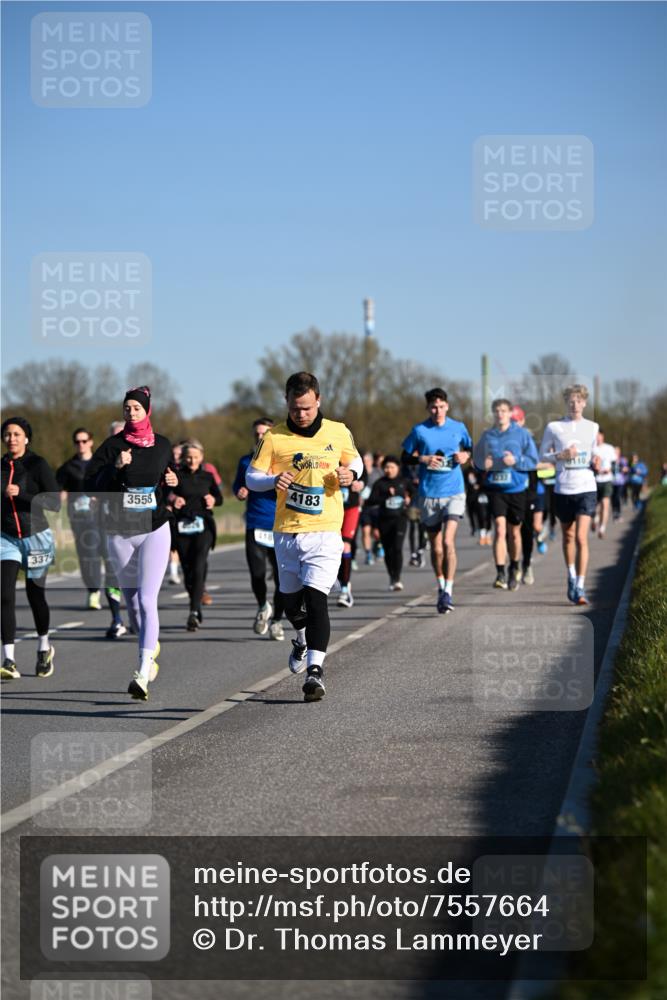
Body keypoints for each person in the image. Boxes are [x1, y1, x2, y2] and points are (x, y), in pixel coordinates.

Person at [246, 371, 363, 702]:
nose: (301, 414)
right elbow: (251, 476)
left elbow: (357, 463)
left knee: (317, 600)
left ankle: (315, 672)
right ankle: (300, 638)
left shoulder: (338, 431)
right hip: (287, 532)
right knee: (292, 604)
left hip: (325, 531)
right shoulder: (273, 437)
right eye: (296, 408)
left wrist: (350, 473)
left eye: (308, 408)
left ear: (319, 401)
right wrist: (272, 480)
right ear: (286, 402)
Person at [84, 386, 178, 700]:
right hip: (119, 531)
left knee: (148, 600)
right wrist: (116, 468)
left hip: (154, 528)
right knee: (134, 605)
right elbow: (90, 485)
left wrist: (173, 482)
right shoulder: (112, 446)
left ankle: (142, 670)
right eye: (127, 408)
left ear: (147, 411)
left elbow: (170, 478)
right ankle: (149, 648)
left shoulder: (163, 444)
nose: (131, 413)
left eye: (137, 408)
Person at [401, 387, 472, 613]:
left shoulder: (458, 428)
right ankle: (441, 585)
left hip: (454, 491)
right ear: (428, 408)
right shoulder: (420, 430)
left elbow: (469, 448)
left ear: (447, 406)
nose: (437, 410)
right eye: (433, 407)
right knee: (436, 546)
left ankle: (449, 591)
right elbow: (405, 457)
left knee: (448, 542)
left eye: (441, 406)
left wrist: (465, 456)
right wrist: (423, 458)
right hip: (429, 494)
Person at [1, 417, 60, 679]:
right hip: (7, 538)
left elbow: (54, 503)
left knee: (35, 596)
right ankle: (8, 660)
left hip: (36, 536)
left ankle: (44, 647)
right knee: (4, 595)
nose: (11, 438)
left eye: (16, 434)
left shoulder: (37, 465)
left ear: (26, 438)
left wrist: (21, 495)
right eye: (7, 434)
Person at [540, 383, 599, 606]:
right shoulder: (554, 427)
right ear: (566, 403)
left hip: (586, 485)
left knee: (582, 537)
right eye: (571, 401)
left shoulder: (592, 427)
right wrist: (562, 454)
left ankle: (581, 585)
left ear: (584, 403)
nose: (575, 404)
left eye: (579, 400)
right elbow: (543, 455)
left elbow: (593, 453)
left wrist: (596, 459)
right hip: (563, 486)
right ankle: (571, 575)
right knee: (568, 536)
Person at [473, 400, 538, 591]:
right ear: (493, 414)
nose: (500, 414)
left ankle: (514, 566)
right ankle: (500, 572)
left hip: (516, 490)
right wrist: (483, 463)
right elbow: (476, 460)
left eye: (503, 411)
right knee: (500, 530)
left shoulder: (522, 434)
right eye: (496, 411)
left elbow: (533, 461)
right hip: (495, 489)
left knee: (514, 532)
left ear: (510, 413)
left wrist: (515, 460)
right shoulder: (487, 435)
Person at [233, 418, 286, 640]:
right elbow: (238, 484)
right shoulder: (246, 461)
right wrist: (240, 491)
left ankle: (276, 621)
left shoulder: (282, 461)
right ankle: (263, 605)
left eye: (263, 433)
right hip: (255, 524)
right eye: (256, 434)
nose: (259, 437)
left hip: (280, 525)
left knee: (282, 579)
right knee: (257, 574)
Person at [170, 440, 222, 631]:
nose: (192, 461)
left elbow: (220, 499)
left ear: (201, 458)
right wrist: (173, 498)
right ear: (183, 458)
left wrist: (212, 499)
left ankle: (193, 611)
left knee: (199, 565)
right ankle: (196, 605)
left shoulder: (207, 477)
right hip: (182, 526)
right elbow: (164, 493)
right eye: (188, 457)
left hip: (203, 526)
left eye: (196, 457)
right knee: (188, 571)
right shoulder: (175, 476)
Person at [367, 455, 413, 590]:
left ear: (398, 468)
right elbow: (371, 501)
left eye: (392, 467)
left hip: (400, 519)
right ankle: (392, 576)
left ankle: (397, 578)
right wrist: (385, 495)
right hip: (384, 520)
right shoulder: (380, 483)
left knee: (397, 548)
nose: (389, 470)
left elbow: (415, 493)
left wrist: (409, 498)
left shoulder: (404, 482)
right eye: (386, 467)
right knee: (388, 550)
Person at [336, 462, 365, 609]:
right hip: (331, 509)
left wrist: (360, 484)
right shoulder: (321, 449)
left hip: (350, 509)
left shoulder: (352, 455)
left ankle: (345, 590)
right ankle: (337, 579)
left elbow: (363, 476)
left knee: (345, 546)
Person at [592, 429, 617, 539]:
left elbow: (614, 463)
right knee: (596, 505)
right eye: (596, 436)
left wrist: (610, 470)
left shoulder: (609, 448)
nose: (598, 438)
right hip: (595, 480)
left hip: (607, 480)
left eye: (599, 436)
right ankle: (595, 519)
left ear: (603, 436)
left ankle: (602, 528)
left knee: (605, 504)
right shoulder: (592, 449)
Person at [360, 452, 384, 565]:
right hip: (364, 507)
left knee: (376, 533)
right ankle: (368, 554)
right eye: (363, 461)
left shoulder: (378, 472)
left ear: (371, 461)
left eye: (367, 461)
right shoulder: (359, 472)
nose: (365, 463)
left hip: (376, 507)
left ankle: (378, 544)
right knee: (365, 531)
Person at [611, 448, 629, 521]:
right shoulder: (611, 460)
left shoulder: (622, 460)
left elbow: (627, 469)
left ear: (619, 452)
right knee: (613, 498)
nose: (615, 453)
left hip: (620, 482)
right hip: (612, 482)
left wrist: (624, 469)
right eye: (614, 451)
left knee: (617, 497)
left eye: (617, 451)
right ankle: (614, 513)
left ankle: (618, 513)